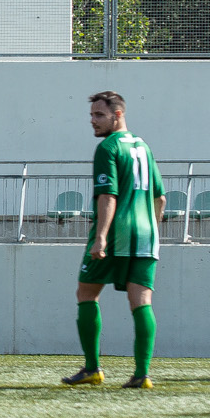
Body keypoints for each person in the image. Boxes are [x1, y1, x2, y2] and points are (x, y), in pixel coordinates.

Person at [64, 91, 165, 390]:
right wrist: (153, 231)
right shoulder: (143, 146)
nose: (93, 121)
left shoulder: (108, 148)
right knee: (141, 302)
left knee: (86, 293)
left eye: (99, 115)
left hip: (117, 233)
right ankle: (142, 374)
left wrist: (101, 238)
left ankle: (93, 368)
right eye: (92, 115)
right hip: (146, 236)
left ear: (117, 115)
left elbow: (108, 195)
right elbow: (160, 197)